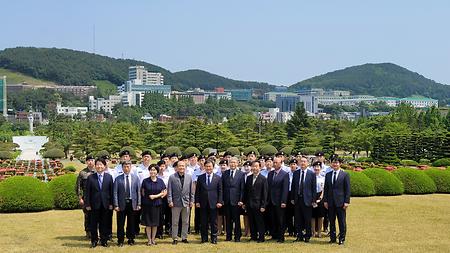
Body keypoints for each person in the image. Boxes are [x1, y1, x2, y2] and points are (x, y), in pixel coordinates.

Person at [84, 158, 114, 248]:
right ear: (95, 166)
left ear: (104, 166)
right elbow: (87, 192)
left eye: (101, 164)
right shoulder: (90, 177)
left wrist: (111, 203)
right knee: (93, 224)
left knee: (104, 223)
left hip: (105, 204)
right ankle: (94, 240)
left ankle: (104, 240)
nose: (99, 166)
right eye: (97, 164)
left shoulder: (109, 177)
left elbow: (111, 191)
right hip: (93, 205)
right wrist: (87, 204)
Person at [323, 155, 350, 245]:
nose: (335, 164)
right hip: (330, 202)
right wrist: (325, 201)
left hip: (341, 202)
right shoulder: (328, 175)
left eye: (337, 162)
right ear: (331, 163)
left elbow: (347, 189)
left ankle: (342, 238)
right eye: (333, 162)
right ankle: (332, 238)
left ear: (340, 164)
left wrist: (346, 201)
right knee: (332, 221)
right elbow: (326, 189)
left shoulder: (345, 174)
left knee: (341, 221)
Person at [113, 161, 141, 247]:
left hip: (132, 203)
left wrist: (139, 203)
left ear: (131, 167)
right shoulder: (118, 179)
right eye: (124, 166)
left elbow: (138, 192)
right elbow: (115, 193)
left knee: (131, 222)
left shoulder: (136, 178)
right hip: (121, 203)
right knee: (120, 223)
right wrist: (116, 205)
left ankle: (131, 238)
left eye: (128, 166)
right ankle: (120, 240)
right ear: (122, 168)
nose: (126, 168)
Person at [195, 160, 223, 244]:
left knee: (214, 222)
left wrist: (220, 201)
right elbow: (198, 191)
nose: (208, 168)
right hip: (203, 203)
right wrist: (197, 201)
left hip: (214, 203)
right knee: (203, 222)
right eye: (206, 166)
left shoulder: (217, 178)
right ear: (204, 167)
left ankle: (214, 238)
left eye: (210, 166)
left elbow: (220, 191)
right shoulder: (200, 177)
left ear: (213, 167)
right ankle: (204, 238)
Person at [167, 161, 194, 245]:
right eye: (180, 166)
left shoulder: (189, 177)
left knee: (185, 221)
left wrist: (192, 201)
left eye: (183, 166)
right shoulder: (172, 177)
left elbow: (191, 191)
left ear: (185, 167)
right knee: (175, 221)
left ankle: (184, 237)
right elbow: (169, 190)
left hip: (186, 202)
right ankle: (175, 238)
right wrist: (170, 201)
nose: (181, 167)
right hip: (175, 203)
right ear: (177, 167)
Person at [291, 156, 316, 243]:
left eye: (304, 162)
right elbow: (293, 187)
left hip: (307, 200)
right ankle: (299, 235)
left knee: (307, 219)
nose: (302, 163)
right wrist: (292, 198)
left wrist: (313, 200)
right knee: (298, 219)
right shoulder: (296, 173)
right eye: (301, 161)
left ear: (307, 163)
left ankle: (307, 235)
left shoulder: (311, 174)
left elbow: (314, 188)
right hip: (298, 199)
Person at [141, 164, 167, 246]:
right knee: (148, 223)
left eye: (154, 170)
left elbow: (163, 192)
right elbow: (142, 192)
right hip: (147, 204)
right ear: (149, 171)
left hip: (157, 204)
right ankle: (149, 240)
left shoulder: (160, 181)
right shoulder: (145, 181)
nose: (153, 171)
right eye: (151, 170)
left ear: (157, 171)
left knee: (155, 223)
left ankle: (153, 239)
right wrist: (147, 198)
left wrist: (155, 196)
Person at [243, 161, 268, 243]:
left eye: (256, 166)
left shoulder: (263, 179)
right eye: (253, 166)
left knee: (259, 221)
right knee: (252, 221)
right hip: (250, 204)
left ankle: (261, 237)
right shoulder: (249, 178)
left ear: (260, 168)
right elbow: (246, 192)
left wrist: (263, 206)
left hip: (259, 204)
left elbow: (265, 194)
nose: (254, 168)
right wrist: (244, 203)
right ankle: (253, 236)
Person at [222, 157, 245, 242]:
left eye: (234, 162)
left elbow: (242, 188)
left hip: (236, 201)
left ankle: (237, 237)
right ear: (228, 163)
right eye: (231, 162)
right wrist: (222, 200)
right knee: (228, 220)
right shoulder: (225, 173)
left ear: (237, 163)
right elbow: (222, 187)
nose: (232, 164)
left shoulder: (241, 174)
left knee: (236, 220)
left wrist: (241, 200)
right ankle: (228, 236)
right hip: (227, 200)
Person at [267, 157, 289, 243]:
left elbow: (285, 189)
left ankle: (281, 237)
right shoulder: (270, 173)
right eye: (274, 162)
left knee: (280, 220)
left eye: (277, 162)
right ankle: (274, 235)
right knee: (272, 219)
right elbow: (268, 188)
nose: (275, 164)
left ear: (281, 163)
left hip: (279, 201)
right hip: (271, 200)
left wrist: (284, 201)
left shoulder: (285, 174)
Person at [75, 154, 96, 239]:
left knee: (96, 215)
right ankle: (88, 231)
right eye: (89, 161)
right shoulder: (82, 173)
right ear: (86, 162)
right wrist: (80, 198)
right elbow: (78, 186)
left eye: (92, 160)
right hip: (86, 197)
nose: (90, 162)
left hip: (95, 197)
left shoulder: (97, 171)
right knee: (87, 215)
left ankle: (95, 231)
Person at [311, 161, 326, 238]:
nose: (317, 168)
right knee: (312, 216)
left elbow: (324, 189)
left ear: (320, 168)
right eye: (315, 167)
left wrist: (320, 198)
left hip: (320, 197)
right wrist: (313, 199)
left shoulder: (323, 178)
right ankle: (313, 231)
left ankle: (319, 232)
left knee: (320, 216)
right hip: (312, 197)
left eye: (318, 167)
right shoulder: (310, 177)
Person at [285, 159, 298, 237]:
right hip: (288, 194)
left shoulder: (298, 174)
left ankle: (296, 230)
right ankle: (290, 230)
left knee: (296, 214)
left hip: (296, 194)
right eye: (291, 164)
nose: (293, 166)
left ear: (296, 165)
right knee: (288, 214)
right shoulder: (287, 174)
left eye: (294, 164)